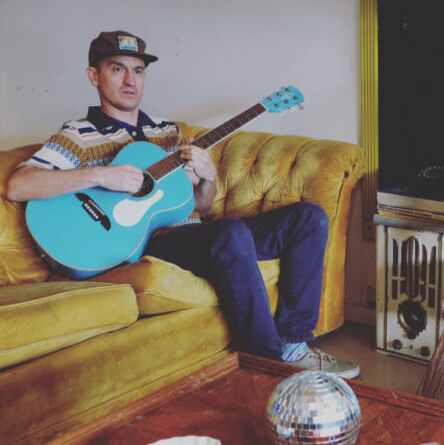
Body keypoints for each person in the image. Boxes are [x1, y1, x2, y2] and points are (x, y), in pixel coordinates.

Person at [7, 30, 360, 379]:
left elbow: (201, 208)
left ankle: (293, 344)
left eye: (138, 70)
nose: (130, 80)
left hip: (194, 237)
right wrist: (101, 176)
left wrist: (207, 177)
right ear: (93, 76)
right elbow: (19, 185)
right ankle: (264, 363)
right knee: (230, 232)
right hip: (149, 242)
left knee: (308, 218)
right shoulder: (78, 133)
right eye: (117, 69)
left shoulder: (168, 132)